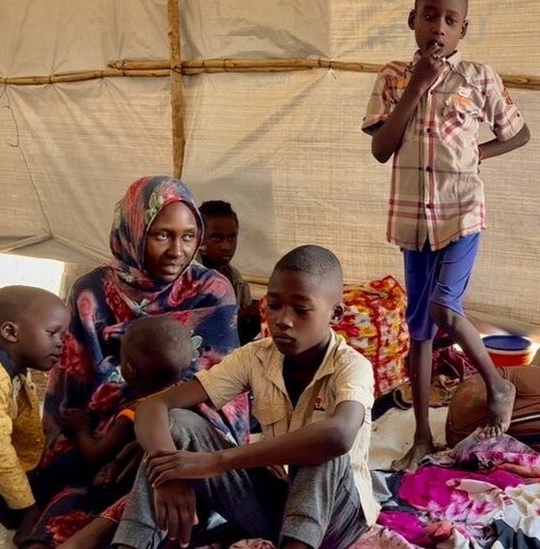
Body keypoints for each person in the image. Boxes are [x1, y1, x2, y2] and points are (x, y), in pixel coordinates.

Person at [26, 175, 250, 549]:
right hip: (101, 443)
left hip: (181, 439)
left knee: (169, 458)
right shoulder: (92, 292)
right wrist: (115, 428)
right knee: (69, 498)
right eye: (162, 235)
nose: (177, 251)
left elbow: (222, 387)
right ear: (133, 230)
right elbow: (73, 393)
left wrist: (153, 434)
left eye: (189, 236)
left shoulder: (212, 291)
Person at [111, 245, 378, 549]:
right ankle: (131, 545)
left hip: (338, 520)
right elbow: (154, 405)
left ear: (336, 314)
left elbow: (339, 436)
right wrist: (169, 474)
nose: (283, 320)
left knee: (319, 444)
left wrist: (215, 461)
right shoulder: (256, 356)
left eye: (301, 309)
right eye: (274, 305)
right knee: (178, 424)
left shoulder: (352, 366)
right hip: (278, 507)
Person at [362, 0, 531, 470]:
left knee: (443, 308)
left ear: (463, 30)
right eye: (430, 15)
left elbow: (518, 133)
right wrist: (416, 87)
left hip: (462, 214)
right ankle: (420, 436)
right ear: (412, 20)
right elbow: (381, 148)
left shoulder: (478, 77)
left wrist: (480, 153)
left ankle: (499, 385)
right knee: (418, 329)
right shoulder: (394, 76)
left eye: (451, 21)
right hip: (414, 220)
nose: (439, 28)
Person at [52, 316, 192, 549]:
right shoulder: (181, 399)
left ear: (128, 369)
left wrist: (80, 430)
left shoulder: (134, 412)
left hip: (122, 489)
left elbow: (96, 453)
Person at [0, 286, 68, 545]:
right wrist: (28, 509)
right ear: (10, 332)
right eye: (52, 333)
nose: (61, 342)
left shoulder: (15, 371)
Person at [198, 200, 260, 345]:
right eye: (216, 238)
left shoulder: (236, 280)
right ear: (198, 237)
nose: (226, 246)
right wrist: (238, 316)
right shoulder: (190, 278)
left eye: (231, 238)